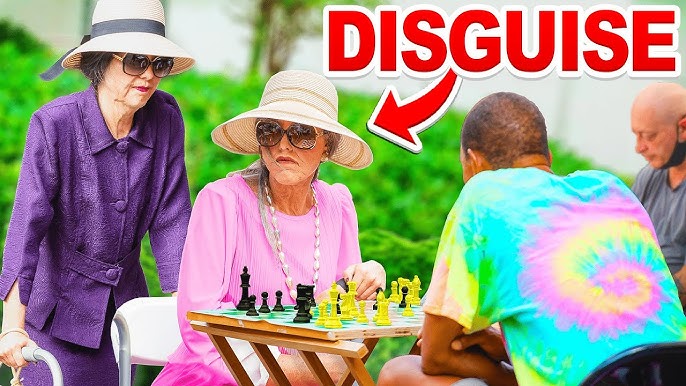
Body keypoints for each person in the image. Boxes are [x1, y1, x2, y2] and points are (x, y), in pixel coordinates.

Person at [377, 92, 686, 386]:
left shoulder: (483, 195)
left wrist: (510, 378)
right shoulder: (611, 189)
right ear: (547, 157)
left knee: (398, 372)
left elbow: (435, 355)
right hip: (670, 374)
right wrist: (504, 348)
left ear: (474, 163)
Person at [0, 0, 194, 384]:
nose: (149, 75)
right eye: (137, 60)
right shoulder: (55, 124)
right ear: (101, 60)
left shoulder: (165, 118)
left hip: (124, 315)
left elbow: (173, 220)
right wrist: (11, 327)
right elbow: (27, 228)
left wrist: (183, 316)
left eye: (160, 64)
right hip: (57, 316)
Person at [153, 70, 385, 386]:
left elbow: (344, 316)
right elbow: (199, 324)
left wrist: (368, 282)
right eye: (270, 131)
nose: (283, 146)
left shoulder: (338, 204)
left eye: (302, 133)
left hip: (311, 368)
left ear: (326, 147)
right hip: (223, 370)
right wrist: (277, 371)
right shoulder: (222, 200)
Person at [630, 82, 686, 307]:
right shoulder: (648, 177)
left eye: (649, 136)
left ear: (683, 129)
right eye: (636, 135)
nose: (639, 147)